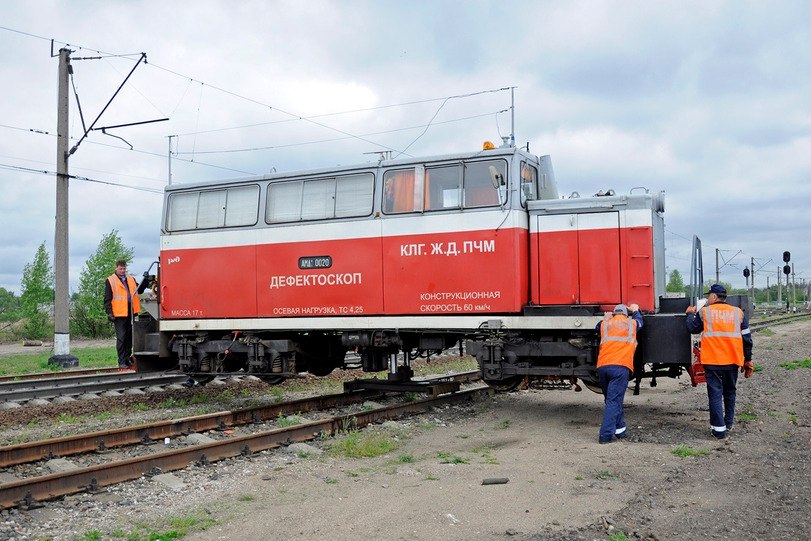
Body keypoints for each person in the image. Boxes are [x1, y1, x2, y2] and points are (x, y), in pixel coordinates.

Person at [686, 284, 753, 439]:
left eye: (709, 296)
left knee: (715, 394)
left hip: (713, 361)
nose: (708, 299)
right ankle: (728, 423)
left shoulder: (705, 312)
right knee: (730, 391)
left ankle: (719, 430)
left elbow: (692, 328)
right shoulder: (738, 313)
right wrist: (748, 360)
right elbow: (747, 339)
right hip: (733, 360)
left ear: (714, 297)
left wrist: (689, 314)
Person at [595, 303, 643, 444]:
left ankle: (620, 430)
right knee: (614, 401)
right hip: (620, 366)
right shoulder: (631, 323)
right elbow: (640, 322)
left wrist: (606, 318)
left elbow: (597, 327)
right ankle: (605, 436)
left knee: (611, 400)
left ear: (614, 314)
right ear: (625, 314)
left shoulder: (605, 324)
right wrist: (635, 310)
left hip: (603, 367)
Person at [104, 259, 141, 369]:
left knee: (129, 338)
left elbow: (139, 289)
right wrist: (110, 313)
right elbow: (107, 299)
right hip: (119, 314)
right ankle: (121, 360)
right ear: (116, 268)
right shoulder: (111, 280)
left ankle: (127, 359)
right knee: (121, 338)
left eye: (124, 268)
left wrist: (147, 282)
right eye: (121, 269)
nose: (123, 270)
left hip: (130, 312)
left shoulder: (131, 279)